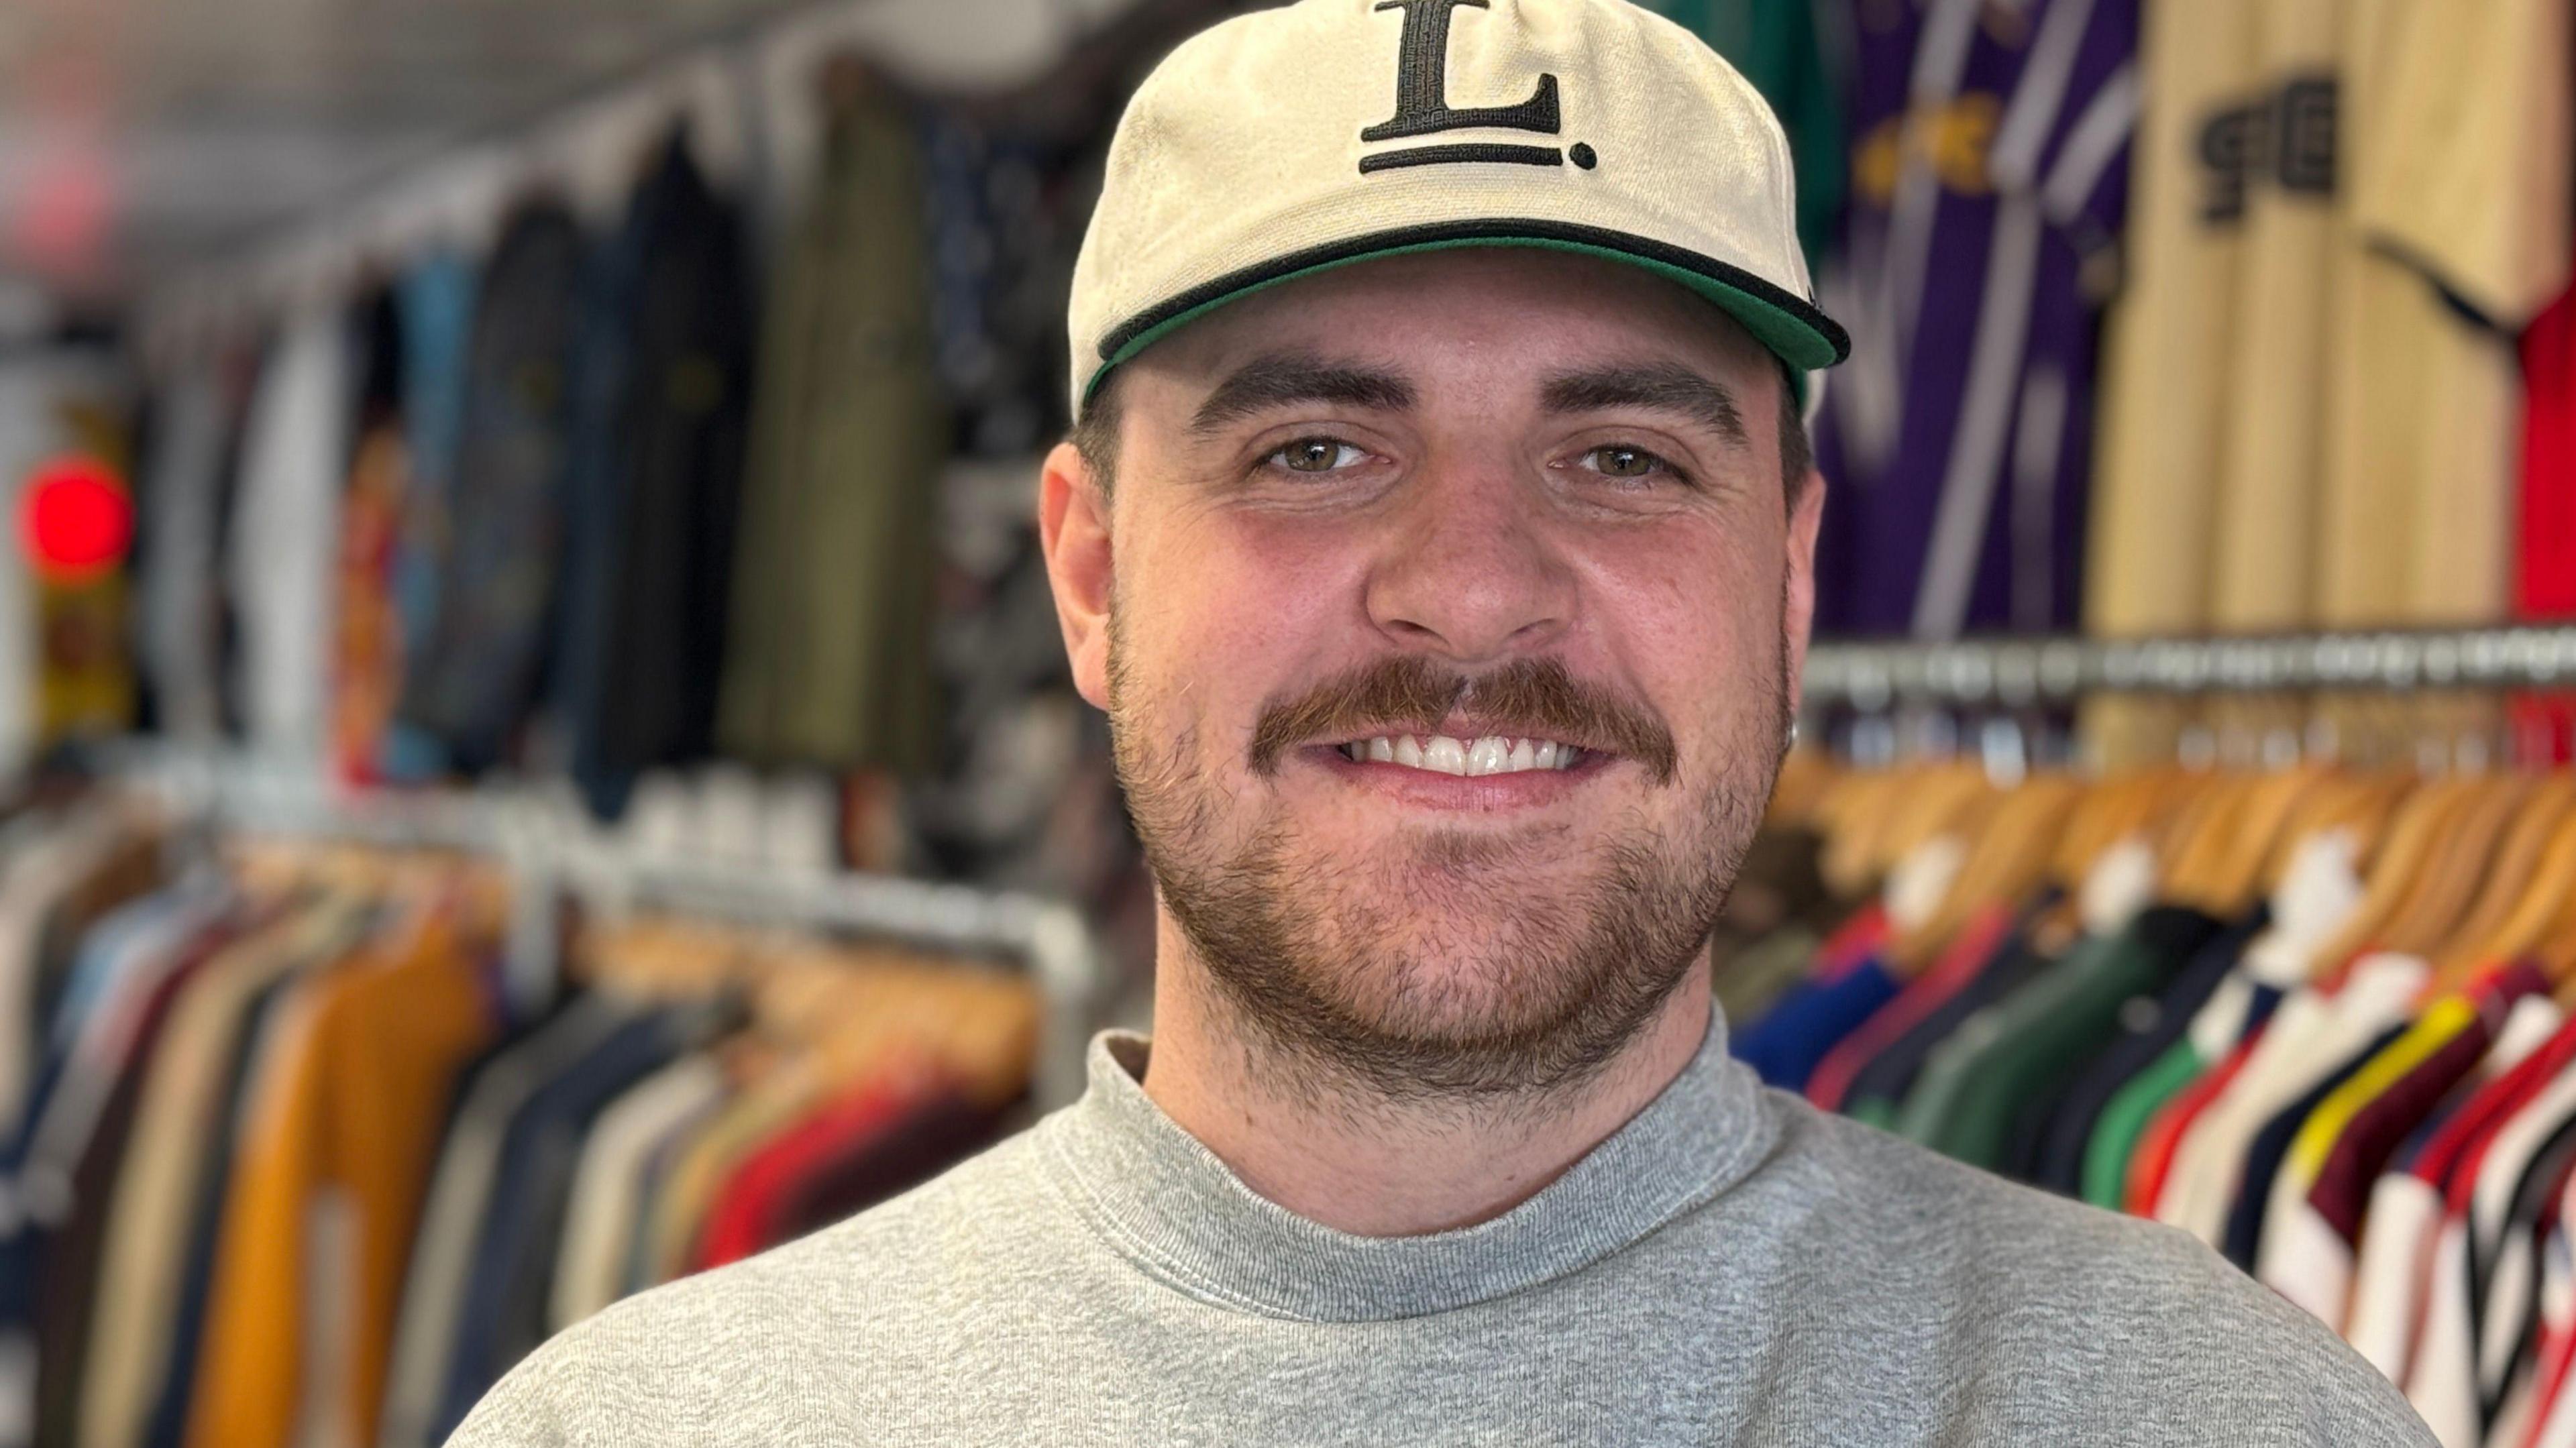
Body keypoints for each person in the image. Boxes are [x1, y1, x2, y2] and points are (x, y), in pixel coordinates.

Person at [451, 0, 2435, 1441]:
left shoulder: (2218, 1413)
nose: (1473, 584)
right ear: (1090, 577)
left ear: (1796, 581)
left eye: (1627, 457)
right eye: (1315, 447)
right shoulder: (653, 1428)